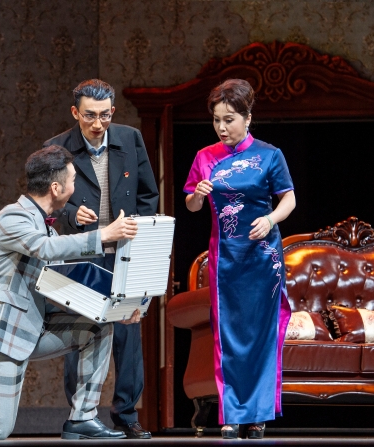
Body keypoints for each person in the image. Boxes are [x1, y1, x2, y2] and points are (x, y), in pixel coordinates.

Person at [0, 145, 142, 441]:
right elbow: (44, 249)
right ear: (56, 187)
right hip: (2, 335)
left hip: (33, 330)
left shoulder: (48, 230)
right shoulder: (12, 217)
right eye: (73, 180)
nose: (75, 187)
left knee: (99, 328)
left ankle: (83, 418)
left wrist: (115, 310)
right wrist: (104, 235)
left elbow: (69, 283)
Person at [43, 79, 159, 439]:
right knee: (81, 335)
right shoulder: (57, 149)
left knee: (128, 337)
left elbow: (148, 195)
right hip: (84, 256)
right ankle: (80, 414)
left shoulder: (130, 138)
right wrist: (71, 213)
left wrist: (140, 240)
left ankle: (126, 415)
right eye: (90, 115)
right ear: (75, 112)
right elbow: (47, 203)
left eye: (105, 115)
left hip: (124, 255)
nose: (98, 124)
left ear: (113, 111)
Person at [184, 79, 296, 440]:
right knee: (228, 335)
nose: (222, 127)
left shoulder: (270, 155)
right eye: (216, 120)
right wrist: (198, 196)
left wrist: (270, 219)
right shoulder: (205, 157)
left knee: (262, 335)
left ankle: (258, 416)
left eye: (229, 120)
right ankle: (231, 414)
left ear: (248, 118)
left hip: (263, 258)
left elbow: (289, 199)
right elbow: (191, 205)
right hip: (226, 258)